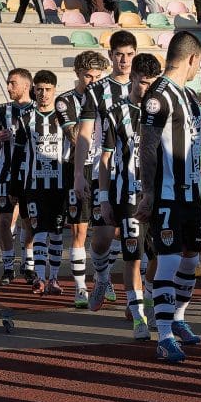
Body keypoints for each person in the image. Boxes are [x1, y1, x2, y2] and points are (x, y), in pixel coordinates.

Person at [137, 31, 201, 362]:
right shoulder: (158, 95)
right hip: (165, 196)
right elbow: (147, 147)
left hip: (192, 193)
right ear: (193, 59)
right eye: (199, 63)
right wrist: (148, 192)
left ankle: (177, 318)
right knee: (167, 261)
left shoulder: (190, 96)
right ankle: (163, 336)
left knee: (191, 258)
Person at [97, 52, 161, 336]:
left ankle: (148, 298)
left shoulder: (163, 111)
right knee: (133, 256)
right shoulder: (115, 112)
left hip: (158, 195)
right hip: (127, 197)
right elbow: (105, 159)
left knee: (159, 256)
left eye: (152, 83)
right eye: (143, 82)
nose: (147, 88)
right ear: (132, 77)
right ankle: (138, 316)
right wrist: (103, 197)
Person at [74, 31, 140, 308]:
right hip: (106, 171)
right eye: (119, 55)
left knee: (136, 241)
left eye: (129, 54)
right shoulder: (96, 90)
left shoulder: (148, 86)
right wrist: (79, 172)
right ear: (111, 56)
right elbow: (85, 133)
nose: (124, 60)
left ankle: (137, 304)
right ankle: (101, 277)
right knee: (101, 238)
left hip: (137, 173)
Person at [10, 70, 76, 297]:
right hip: (34, 186)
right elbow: (17, 156)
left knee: (57, 233)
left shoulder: (64, 119)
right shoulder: (26, 119)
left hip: (58, 186)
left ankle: (54, 279)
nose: (44, 94)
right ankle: (39, 277)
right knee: (38, 231)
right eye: (39, 89)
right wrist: (15, 187)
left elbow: (76, 148)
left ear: (55, 90)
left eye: (48, 90)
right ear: (33, 90)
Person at [58, 50, 110, 305]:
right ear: (77, 73)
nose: (93, 81)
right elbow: (75, 136)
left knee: (107, 227)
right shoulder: (65, 101)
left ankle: (104, 278)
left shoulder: (107, 95)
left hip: (103, 167)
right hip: (78, 167)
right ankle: (80, 287)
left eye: (98, 77)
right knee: (79, 229)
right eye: (88, 76)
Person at [0, 68, 37, 284]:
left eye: (12, 83)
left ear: (26, 85)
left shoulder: (39, 110)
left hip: (31, 175)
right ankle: (8, 268)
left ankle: (28, 264)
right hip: (6, 174)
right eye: (8, 83)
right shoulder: (2, 112)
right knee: (3, 221)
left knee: (30, 222)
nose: (8, 87)